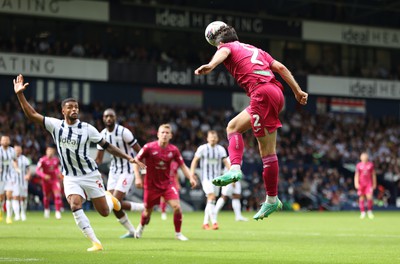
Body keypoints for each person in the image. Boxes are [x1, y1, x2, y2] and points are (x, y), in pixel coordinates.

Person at [13, 74, 146, 251]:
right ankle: (96, 242)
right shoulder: (56, 125)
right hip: (70, 177)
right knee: (75, 204)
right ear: (63, 111)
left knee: (105, 212)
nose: (74, 109)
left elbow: (107, 146)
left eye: (76, 107)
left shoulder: (87, 129)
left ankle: (110, 198)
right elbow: (32, 114)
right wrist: (20, 94)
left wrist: (129, 157)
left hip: (90, 175)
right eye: (70, 107)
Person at [194, 22, 308, 220]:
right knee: (256, 143)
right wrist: (297, 91)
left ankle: (236, 169)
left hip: (261, 93)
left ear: (216, 41)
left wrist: (211, 65)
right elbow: (280, 67)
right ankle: (272, 199)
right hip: (276, 93)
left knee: (236, 131)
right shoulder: (255, 49)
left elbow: (222, 54)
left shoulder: (226, 47)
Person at [133, 124, 197, 241]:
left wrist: (191, 178)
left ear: (171, 136)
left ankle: (178, 234)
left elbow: (182, 165)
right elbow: (135, 161)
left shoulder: (174, 150)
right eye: (162, 132)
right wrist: (137, 177)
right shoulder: (148, 147)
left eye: (167, 133)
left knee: (177, 207)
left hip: (167, 184)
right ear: (157, 134)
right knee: (147, 212)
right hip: (151, 185)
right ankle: (141, 227)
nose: (164, 135)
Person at [95, 108, 145, 238]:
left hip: (128, 169)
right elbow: (99, 159)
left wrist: (142, 170)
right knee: (112, 205)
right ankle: (132, 230)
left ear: (115, 117)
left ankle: (142, 207)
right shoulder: (102, 135)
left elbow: (139, 151)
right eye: (106, 116)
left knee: (114, 201)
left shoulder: (123, 131)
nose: (109, 119)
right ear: (103, 119)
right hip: (114, 170)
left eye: (111, 116)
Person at [190, 130, 230, 230]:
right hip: (206, 178)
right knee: (211, 197)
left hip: (217, 179)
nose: (213, 139)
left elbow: (225, 162)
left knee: (211, 201)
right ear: (207, 138)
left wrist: (232, 172)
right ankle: (215, 222)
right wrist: (192, 173)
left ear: (217, 138)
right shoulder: (202, 148)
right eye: (211, 137)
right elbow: (195, 161)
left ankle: (205, 223)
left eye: (215, 137)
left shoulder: (220, 149)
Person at [215, 158, 248, 222]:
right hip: (229, 178)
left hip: (236, 178)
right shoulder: (231, 157)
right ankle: (214, 212)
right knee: (224, 196)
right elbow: (229, 168)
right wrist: (232, 180)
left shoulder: (239, 157)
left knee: (236, 196)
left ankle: (238, 216)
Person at [36, 145, 63, 219]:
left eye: (51, 151)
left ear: (54, 152)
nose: (50, 152)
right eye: (49, 151)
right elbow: (37, 170)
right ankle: (46, 210)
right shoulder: (42, 160)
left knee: (57, 195)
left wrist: (58, 173)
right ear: (46, 151)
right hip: (46, 181)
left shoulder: (56, 160)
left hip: (54, 180)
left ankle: (57, 212)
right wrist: (44, 175)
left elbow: (56, 168)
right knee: (46, 197)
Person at [0, 135, 19, 224]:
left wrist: (16, 168)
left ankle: (8, 216)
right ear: (1, 141)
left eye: (6, 140)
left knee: (9, 195)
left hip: (10, 175)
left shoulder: (12, 151)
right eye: (3, 140)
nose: (5, 141)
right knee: (1, 197)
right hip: (0, 176)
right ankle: (0, 212)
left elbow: (15, 160)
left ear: (9, 141)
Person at [354, 152, 376, 219]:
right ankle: (362, 212)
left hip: (368, 184)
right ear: (360, 157)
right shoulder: (358, 165)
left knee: (369, 197)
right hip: (361, 184)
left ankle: (369, 211)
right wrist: (356, 183)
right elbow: (357, 175)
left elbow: (373, 175)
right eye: (362, 156)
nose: (364, 157)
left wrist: (374, 183)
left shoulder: (371, 165)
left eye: (365, 156)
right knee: (361, 197)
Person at [14, 144, 31, 221]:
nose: (17, 151)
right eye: (16, 150)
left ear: (21, 150)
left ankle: (23, 213)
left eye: (19, 150)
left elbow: (28, 169)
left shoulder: (25, 159)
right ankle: (17, 215)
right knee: (15, 197)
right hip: (13, 181)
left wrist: (28, 175)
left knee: (23, 198)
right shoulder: (11, 159)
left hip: (23, 181)